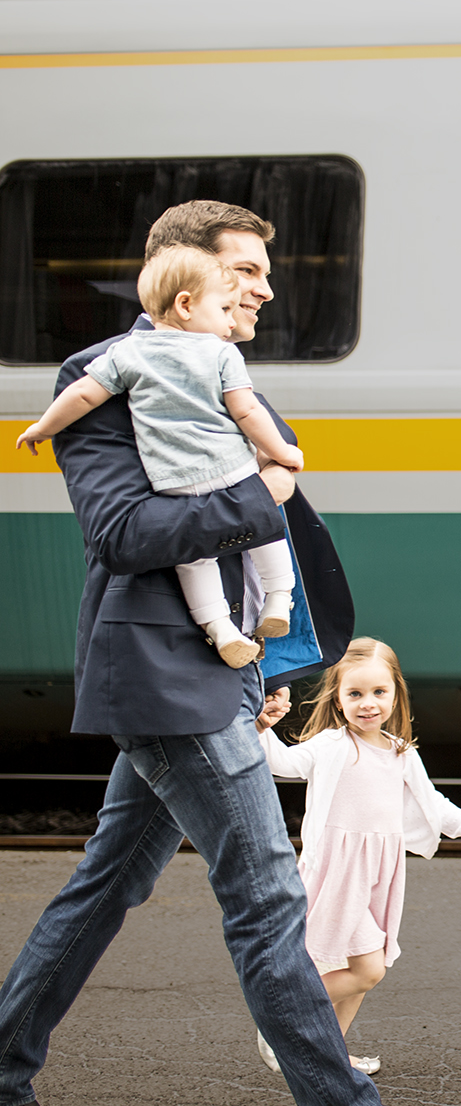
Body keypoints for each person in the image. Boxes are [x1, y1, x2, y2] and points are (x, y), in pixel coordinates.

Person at [0, 200, 381, 1106]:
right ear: (182, 268)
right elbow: (126, 531)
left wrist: (266, 670)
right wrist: (264, 492)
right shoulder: (105, 374)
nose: (265, 286)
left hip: (214, 670)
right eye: (245, 269)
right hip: (165, 673)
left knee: (106, 885)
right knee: (266, 894)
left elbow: (247, 539)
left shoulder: (220, 363)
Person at [16, 244, 303, 667]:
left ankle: (222, 631)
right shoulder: (220, 353)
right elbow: (246, 412)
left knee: (196, 564)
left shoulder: (125, 356)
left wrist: (42, 427)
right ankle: (280, 599)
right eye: (241, 274)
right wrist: (282, 457)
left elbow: (82, 395)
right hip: (229, 475)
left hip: (177, 482)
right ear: (185, 302)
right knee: (267, 531)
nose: (259, 294)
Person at [257, 638, 461, 1076]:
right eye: (354, 694)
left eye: (378, 693)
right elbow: (284, 763)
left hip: (378, 874)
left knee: (358, 975)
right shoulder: (333, 745)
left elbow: (432, 804)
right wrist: (262, 725)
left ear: (396, 694)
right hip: (338, 871)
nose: (367, 704)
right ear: (337, 697)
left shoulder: (400, 752)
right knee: (368, 970)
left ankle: (327, 1057)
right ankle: (279, 1017)